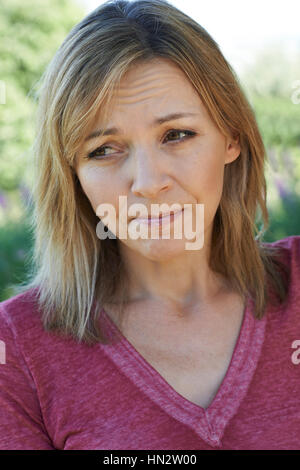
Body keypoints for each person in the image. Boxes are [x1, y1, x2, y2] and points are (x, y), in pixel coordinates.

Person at [0, 0, 299, 451]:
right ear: (72, 174)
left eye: (176, 135)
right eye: (104, 149)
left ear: (231, 138)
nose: (148, 183)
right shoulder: (18, 350)